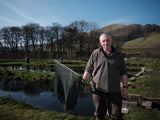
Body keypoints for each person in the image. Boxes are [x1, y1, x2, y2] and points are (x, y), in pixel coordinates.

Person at [82, 33, 128, 120]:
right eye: (103, 41)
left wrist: (125, 87)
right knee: (99, 114)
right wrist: (83, 80)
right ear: (100, 42)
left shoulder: (119, 55)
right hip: (98, 89)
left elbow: (123, 72)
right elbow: (88, 69)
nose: (106, 43)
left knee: (116, 115)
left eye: (107, 40)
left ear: (111, 41)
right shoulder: (95, 53)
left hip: (114, 89)